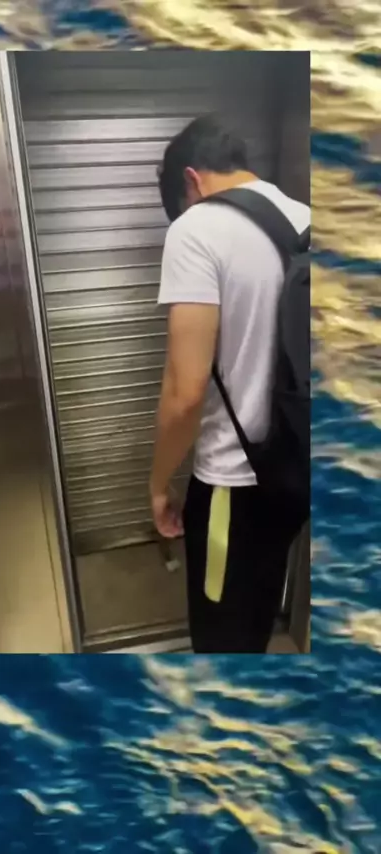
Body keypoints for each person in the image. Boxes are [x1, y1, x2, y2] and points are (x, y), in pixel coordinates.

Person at [149, 113, 310, 653]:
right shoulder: (302, 218)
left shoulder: (195, 229)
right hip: (294, 472)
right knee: (258, 615)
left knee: (223, 638)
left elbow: (185, 391)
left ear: (191, 180)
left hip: (232, 484)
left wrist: (158, 486)